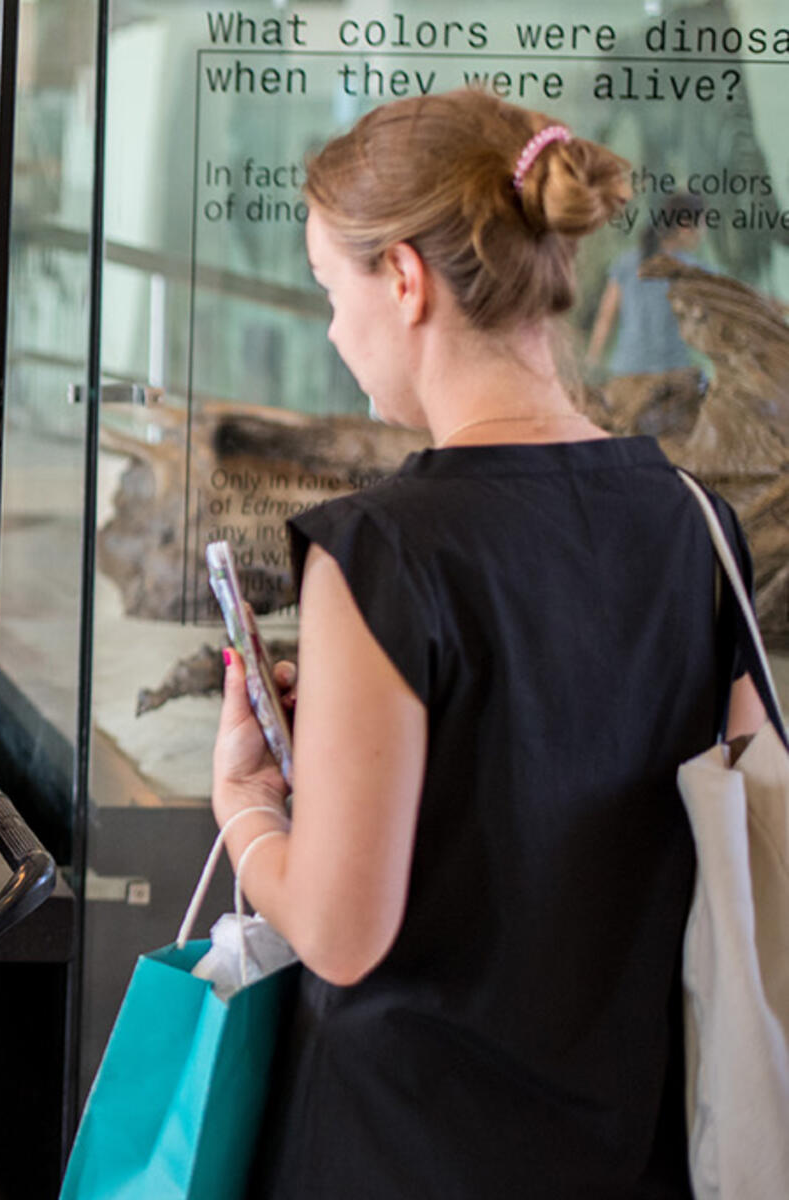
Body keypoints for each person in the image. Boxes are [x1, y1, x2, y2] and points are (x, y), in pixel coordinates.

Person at [210, 90, 766, 1198]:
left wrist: (248, 806)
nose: (333, 331)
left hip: (405, 1147)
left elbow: (339, 930)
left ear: (405, 280)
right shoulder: (699, 523)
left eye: (334, 291)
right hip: (640, 1139)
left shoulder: (380, 550)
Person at [586, 190, 710, 376]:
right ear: (685, 225)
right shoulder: (692, 271)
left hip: (627, 373)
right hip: (672, 378)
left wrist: (592, 360)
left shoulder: (626, 263)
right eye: (702, 223)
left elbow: (606, 317)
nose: (704, 231)